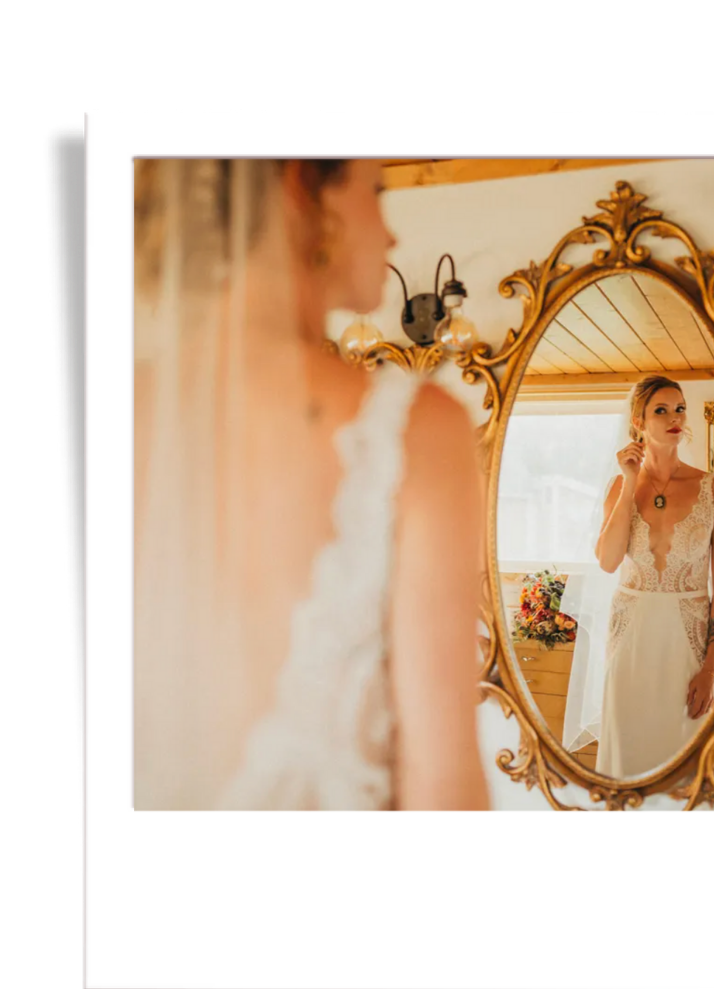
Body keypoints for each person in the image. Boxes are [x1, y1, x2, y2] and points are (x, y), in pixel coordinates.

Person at [133, 159, 489, 810]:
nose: (390, 237)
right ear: (302, 185)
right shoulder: (413, 431)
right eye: (376, 192)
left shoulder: (113, 405)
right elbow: (444, 788)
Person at [592, 374, 714, 778]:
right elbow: (608, 560)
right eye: (661, 410)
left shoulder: (713, 487)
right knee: (627, 756)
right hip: (630, 639)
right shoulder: (621, 487)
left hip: (686, 641)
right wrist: (631, 481)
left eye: (680, 408)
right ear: (638, 421)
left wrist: (711, 667)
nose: (675, 418)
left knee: (685, 760)